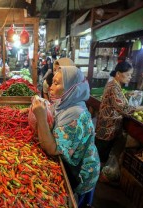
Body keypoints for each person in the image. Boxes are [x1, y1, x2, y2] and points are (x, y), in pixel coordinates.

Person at [32, 65, 100, 207]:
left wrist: (40, 116)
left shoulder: (75, 113)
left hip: (81, 173)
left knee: (78, 203)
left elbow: (53, 149)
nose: (50, 87)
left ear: (72, 88)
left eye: (56, 83)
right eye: (52, 82)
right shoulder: (65, 104)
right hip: (73, 165)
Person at [95, 61, 143, 168]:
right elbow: (125, 109)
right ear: (118, 74)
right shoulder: (113, 87)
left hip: (109, 127)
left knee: (102, 154)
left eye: (131, 75)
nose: (130, 77)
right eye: (128, 74)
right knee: (101, 156)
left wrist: (128, 94)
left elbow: (117, 99)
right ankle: (96, 178)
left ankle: (98, 174)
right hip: (107, 129)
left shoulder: (114, 84)